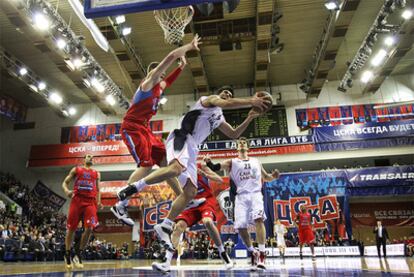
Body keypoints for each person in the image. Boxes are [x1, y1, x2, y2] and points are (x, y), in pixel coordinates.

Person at [117, 84, 270, 252]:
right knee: (175, 169)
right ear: (218, 94)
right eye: (225, 92)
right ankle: (133, 187)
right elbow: (226, 103)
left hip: (193, 148)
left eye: (230, 93)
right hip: (182, 136)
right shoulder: (209, 100)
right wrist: (252, 101)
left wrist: (249, 117)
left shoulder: (219, 117)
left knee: (190, 192)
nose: (227, 94)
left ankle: (165, 224)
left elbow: (233, 134)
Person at [111, 35, 201, 226]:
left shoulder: (159, 87)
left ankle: (185, 198)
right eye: (159, 74)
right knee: (145, 165)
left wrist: (181, 67)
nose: (161, 77)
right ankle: (121, 203)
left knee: (167, 163)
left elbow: (168, 81)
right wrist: (187, 48)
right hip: (132, 127)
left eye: (161, 76)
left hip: (145, 129)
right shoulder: (147, 84)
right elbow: (169, 57)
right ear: (152, 74)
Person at [205, 137, 280, 271]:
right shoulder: (232, 162)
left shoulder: (256, 161)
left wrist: (273, 177)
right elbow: (215, 167)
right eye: (239, 143)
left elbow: (266, 177)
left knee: (259, 219)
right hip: (241, 197)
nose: (241, 144)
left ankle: (262, 254)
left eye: (244, 143)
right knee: (240, 227)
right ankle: (253, 251)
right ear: (236, 148)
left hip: (256, 194)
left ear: (248, 147)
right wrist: (209, 162)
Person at [152, 164, 233, 273]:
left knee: (207, 222)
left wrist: (204, 174)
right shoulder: (178, 169)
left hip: (206, 201)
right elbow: (176, 186)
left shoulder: (200, 166)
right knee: (178, 227)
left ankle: (223, 254)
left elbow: (219, 180)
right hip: (190, 202)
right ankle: (166, 262)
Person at [62, 154, 101, 270]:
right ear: (83, 159)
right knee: (71, 228)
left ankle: (78, 253)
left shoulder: (96, 173)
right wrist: (66, 191)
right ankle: (68, 253)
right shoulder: (76, 169)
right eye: (88, 156)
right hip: (77, 200)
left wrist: (99, 201)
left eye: (92, 157)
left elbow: (98, 189)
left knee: (90, 228)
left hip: (90, 202)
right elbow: (64, 183)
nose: (91, 158)